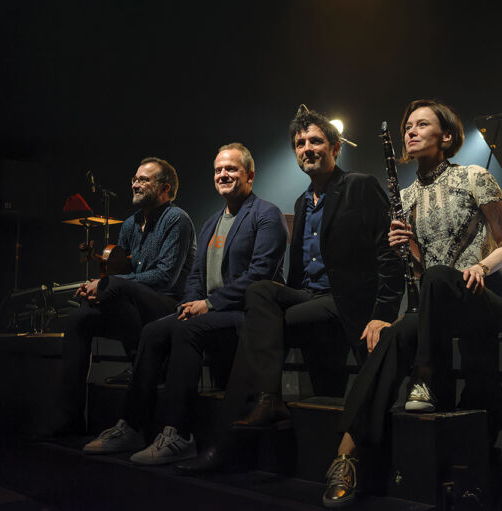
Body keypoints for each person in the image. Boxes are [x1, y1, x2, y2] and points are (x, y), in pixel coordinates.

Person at [175, 109, 404, 474]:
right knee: (262, 293)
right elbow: (294, 274)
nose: (307, 148)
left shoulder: (359, 185)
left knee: (256, 322)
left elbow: (390, 254)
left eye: (315, 141)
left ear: (336, 147)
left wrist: (383, 313)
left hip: (346, 301)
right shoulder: (300, 202)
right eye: (300, 143)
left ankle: (228, 442)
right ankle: (265, 403)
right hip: (309, 299)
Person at [320, 99, 502, 507]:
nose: (409, 131)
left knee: (442, 276)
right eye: (407, 125)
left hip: (485, 299)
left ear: (445, 137)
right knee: (392, 336)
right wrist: (406, 249)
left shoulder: (474, 177)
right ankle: (345, 457)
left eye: (421, 124)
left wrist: (481, 267)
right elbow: (421, 274)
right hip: (438, 303)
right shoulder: (405, 196)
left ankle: (424, 377)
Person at [81, 143, 289, 464]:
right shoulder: (211, 222)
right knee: (153, 331)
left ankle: (177, 434)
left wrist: (209, 304)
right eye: (218, 169)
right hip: (212, 311)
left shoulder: (265, 215)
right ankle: (132, 426)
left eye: (231, 169)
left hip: (246, 315)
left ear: (250, 175)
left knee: (187, 332)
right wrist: (189, 303)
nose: (223, 175)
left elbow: (259, 276)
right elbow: (195, 276)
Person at [58, 157, 196, 434]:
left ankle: (145, 372)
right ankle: (69, 420)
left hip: (167, 304)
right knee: (78, 319)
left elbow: (165, 278)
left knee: (114, 287)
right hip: (134, 303)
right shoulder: (130, 224)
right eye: (134, 178)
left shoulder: (177, 219)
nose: (135, 183)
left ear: (165, 188)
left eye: (144, 179)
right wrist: (98, 286)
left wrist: (109, 284)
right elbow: (120, 271)